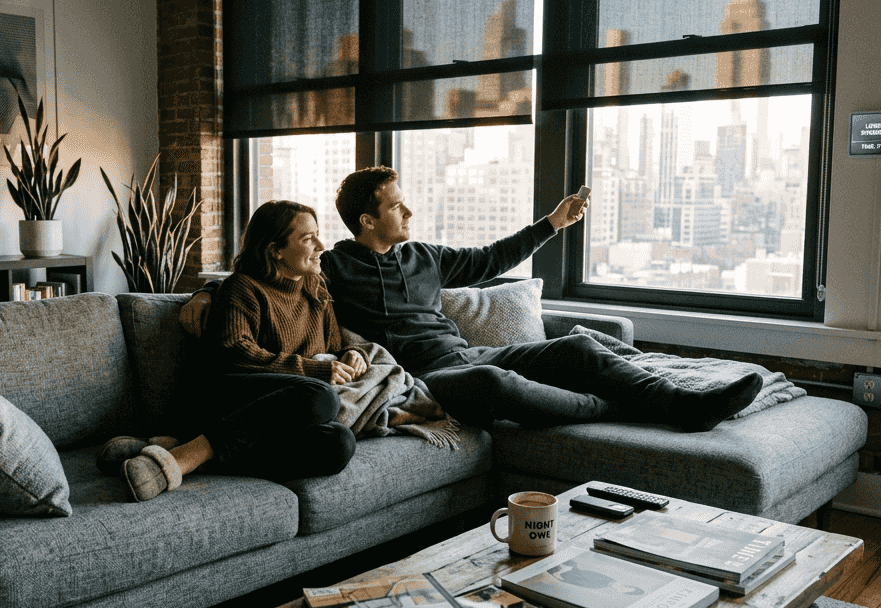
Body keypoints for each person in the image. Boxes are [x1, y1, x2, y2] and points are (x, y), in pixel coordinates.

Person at [180, 166, 762, 433]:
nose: (407, 212)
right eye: (396, 206)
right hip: (429, 377)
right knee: (493, 389)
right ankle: (619, 408)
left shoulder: (426, 257)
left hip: (471, 354)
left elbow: (490, 258)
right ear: (367, 219)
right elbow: (270, 273)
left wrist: (551, 224)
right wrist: (208, 294)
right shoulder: (334, 268)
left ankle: (684, 404)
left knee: (579, 351)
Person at [102, 200, 360, 501]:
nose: (320, 245)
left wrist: (351, 355)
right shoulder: (243, 288)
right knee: (320, 396)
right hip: (225, 396)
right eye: (307, 239)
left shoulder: (317, 290)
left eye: (317, 234)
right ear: (275, 249)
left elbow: (333, 347)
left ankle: (182, 446)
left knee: (339, 443)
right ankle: (185, 458)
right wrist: (315, 371)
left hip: (264, 417)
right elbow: (236, 351)